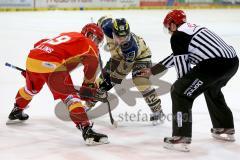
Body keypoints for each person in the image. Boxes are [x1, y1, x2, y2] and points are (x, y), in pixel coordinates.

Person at [140, 10, 239, 151]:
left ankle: (181, 137)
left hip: (214, 66)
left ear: (173, 25)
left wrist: (182, 86)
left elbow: (183, 69)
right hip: (232, 63)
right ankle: (225, 127)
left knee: (179, 92)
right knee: (212, 89)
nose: (169, 31)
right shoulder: (191, 29)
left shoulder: (177, 36)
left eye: (168, 27)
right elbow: (177, 55)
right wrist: (153, 70)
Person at [7, 23, 109, 145]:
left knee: (31, 89)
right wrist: (88, 87)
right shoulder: (90, 45)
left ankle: (17, 110)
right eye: (97, 39)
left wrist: (35, 70)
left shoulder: (69, 35)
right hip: (52, 64)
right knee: (71, 97)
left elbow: (39, 44)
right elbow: (91, 69)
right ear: (89, 35)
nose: (97, 43)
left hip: (33, 58)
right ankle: (87, 130)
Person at [87, 16, 164, 125]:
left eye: (125, 37)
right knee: (101, 81)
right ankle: (88, 104)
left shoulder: (130, 48)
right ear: (113, 32)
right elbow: (102, 20)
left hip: (140, 57)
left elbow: (121, 72)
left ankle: (157, 110)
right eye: (119, 37)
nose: (122, 40)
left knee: (140, 80)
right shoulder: (107, 26)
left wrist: (109, 82)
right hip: (117, 57)